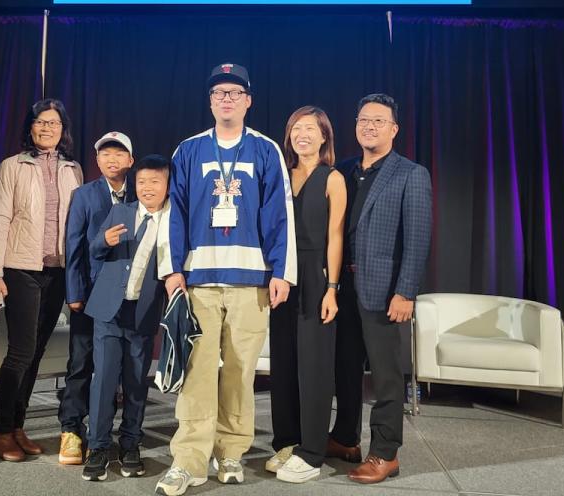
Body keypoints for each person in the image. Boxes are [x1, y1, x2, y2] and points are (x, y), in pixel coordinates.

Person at [156, 63, 296, 496]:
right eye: (220, 93)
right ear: (211, 101)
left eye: (235, 92)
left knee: (239, 372)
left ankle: (231, 450)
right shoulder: (189, 150)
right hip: (198, 279)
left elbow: (280, 215)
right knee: (197, 370)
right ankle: (189, 460)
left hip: (252, 280)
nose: (227, 99)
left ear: (249, 100)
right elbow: (173, 214)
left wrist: (283, 273)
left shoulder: (266, 150)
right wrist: (172, 268)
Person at [329, 93, 432, 485]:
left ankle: (386, 453)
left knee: (387, 375)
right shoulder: (343, 171)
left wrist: (405, 292)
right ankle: (345, 438)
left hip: (385, 290)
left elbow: (418, 237)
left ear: (394, 129)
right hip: (343, 288)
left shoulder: (410, 173)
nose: (369, 127)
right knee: (345, 368)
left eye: (378, 121)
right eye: (363, 120)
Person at [0, 99, 84, 462]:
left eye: (54, 123)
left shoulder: (74, 168)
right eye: (41, 123)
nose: (47, 128)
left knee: (37, 352)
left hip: (57, 271)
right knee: (21, 351)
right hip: (20, 267)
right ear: (30, 127)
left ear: (63, 130)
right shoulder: (13, 165)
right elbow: (0, 220)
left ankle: (17, 426)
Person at [81, 155, 173, 482]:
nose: (147, 188)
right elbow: (92, 249)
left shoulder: (173, 220)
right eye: (142, 182)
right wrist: (102, 241)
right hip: (109, 310)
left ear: (167, 185)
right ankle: (98, 447)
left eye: (155, 182)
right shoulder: (121, 211)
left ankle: (131, 444)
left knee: (136, 383)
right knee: (104, 380)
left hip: (143, 313)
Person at [267, 106, 346, 483]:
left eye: (310, 128)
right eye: (296, 127)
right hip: (283, 275)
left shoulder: (333, 178)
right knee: (283, 364)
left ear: (324, 136)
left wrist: (332, 289)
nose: (303, 134)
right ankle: (286, 442)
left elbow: (335, 236)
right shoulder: (280, 174)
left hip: (317, 276)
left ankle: (312, 452)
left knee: (314, 368)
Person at [58, 131, 136, 465]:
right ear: (97, 159)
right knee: (81, 362)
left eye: (119, 154)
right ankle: (72, 430)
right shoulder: (84, 195)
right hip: (90, 295)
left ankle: (106, 434)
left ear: (130, 160)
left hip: (127, 296)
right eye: (105, 153)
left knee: (118, 368)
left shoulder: (142, 194)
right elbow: (73, 246)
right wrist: (75, 292)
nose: (111, 159)